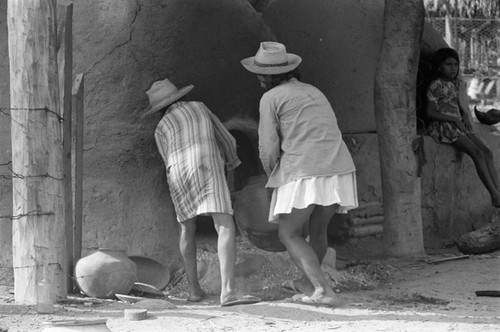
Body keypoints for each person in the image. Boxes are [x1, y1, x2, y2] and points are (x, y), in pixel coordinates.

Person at [241, 42, 358, 307]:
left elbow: (268, 148)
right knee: (318, 230)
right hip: (338, 167)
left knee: (289, 234)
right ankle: (308, 284)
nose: (259, 79)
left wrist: (273, 179)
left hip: (305, 170)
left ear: (268, 76)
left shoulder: (270, 98)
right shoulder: (314, 91)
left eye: (260, 74)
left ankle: (322, 290)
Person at [142, 78, 261, 307]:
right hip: (205, 164)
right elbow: (225, 138)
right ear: (180, 96)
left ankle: (194, 291)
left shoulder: (160, 127)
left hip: (177, 173)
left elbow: (167, 158)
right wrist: (232, 163)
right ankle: (228, 291)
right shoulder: (198, 107)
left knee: (186, 227)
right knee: (224, 223)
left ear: (159, 109)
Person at [425, 47, 500, 207]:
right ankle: (494, 195)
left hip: (457, 123)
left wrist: (465, 115)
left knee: (487, 152)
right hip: (443, 125)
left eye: (455, 64)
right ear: (439, 66)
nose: (453, 68)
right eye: (448, 64)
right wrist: (453, 119)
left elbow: (457, 104)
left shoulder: (455, 84)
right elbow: (430, 112)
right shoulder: (436, 85)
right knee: (477, 153)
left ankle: (498, 191)